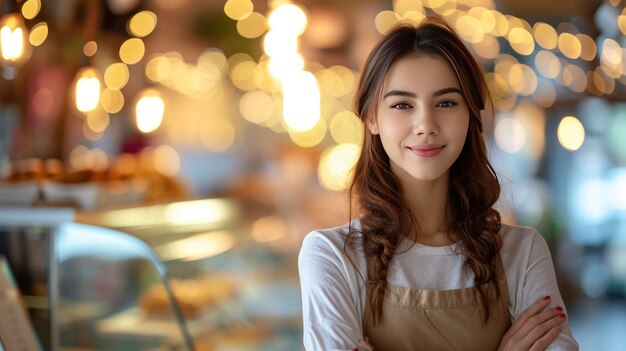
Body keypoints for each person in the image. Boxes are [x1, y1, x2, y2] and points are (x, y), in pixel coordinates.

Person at [298, 16, 579, 351]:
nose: (425, 124)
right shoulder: (332, 256)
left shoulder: (523, 251)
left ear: (470, 115)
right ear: (372, 117)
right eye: (402, 105)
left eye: (446, 102)